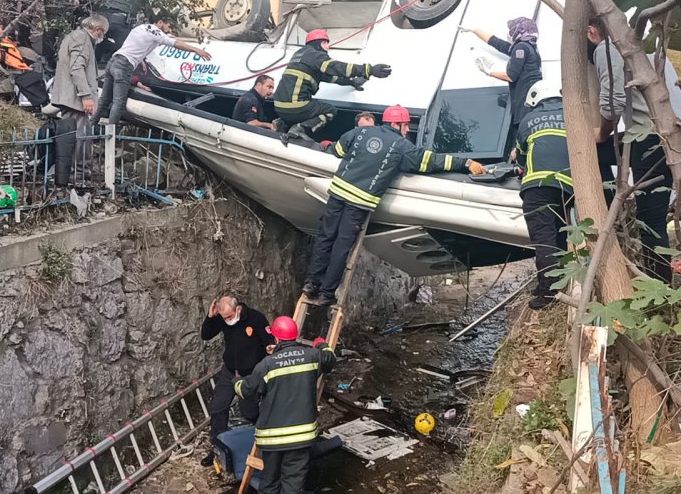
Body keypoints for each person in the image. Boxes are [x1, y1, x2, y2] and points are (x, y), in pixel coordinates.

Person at [303, 105, 487, 306]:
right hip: (359, 202)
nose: (407, 129)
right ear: (395, 124)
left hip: (337, 194)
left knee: (325, 237)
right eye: (405, 125)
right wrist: (465, 163)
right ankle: (326, 294)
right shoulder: (401, 146)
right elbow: (430, 161)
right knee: (341, 246)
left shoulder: (361, 132)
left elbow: (338, 149)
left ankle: (311, 284)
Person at [587, 18, 674, 283]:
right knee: (655, 215)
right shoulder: (643, 45)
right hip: (673, 131)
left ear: (591, 31)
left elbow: (613, 105)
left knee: (651, 219)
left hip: (652, 135)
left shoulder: (607, 48)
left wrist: (602, 134)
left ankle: (660, 286)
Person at [234, 316, 335, 494]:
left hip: (272, 439)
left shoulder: (267, 364)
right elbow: (329, 358)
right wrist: (321, 344)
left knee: (270, 483)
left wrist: (236, 382)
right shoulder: (312, 356)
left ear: (276, 338)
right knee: (293, 484)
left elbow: (248, 391)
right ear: (295, 336)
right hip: (301, 437)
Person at [513, 81, 573, 310]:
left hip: (537, 187)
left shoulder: (528, 120)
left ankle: (548, 294)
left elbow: (521, 158)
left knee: (544, 239)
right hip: (567, 187)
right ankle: (557, 284)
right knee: (559, 235)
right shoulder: (572, 116)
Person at [274, 29, 392, 141]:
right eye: (325, 43)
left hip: (279, 107)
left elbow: (330, 77)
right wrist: (368, 69)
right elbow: (336, 67)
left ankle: (282, 123)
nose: (328, 47)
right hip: (295, 105)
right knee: (329, 110)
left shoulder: (301, 55)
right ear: (318, 43)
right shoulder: (314, 54)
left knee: (307, 107)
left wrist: (352, 82)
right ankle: (300, 129)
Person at [95, 15, 212, 126]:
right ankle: (110, 134)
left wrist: (141, 60)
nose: (169, 31)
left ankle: (91, 125)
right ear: (160, 22)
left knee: (104, 99)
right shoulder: (156, 32)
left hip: (113, 61)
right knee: (118, 102)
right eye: (169, 26)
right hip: (124, 66)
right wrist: (196, 50)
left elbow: (133, 47)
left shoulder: (140, 28)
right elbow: (175, 43)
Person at [200, 295, 274, 443]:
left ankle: (261, 438)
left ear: (237, 309)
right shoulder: (222, 319)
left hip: (250, 374)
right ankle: (219, 444)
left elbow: (268, 341)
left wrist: (269, 351)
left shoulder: (255, 318)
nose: (227, 320)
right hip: (230, 371)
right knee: (217, 407)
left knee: (249, 412)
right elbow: (206, 335)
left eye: (229, 316)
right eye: (224, 318)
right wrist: (210, 317)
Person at [49, 14, 108, 189]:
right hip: (75, 98)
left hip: (70, 97)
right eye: (103, 33)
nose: (102, 36)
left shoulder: (74, 36)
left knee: (71, 137)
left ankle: (70, 174)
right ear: (97, 30)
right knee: (81, 136)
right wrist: (86, 95)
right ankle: (80, 174)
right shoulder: (82, 38)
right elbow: (76, 68)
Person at [461, 17, 543, 124]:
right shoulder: (530, 48)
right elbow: (497, 43)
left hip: (525, 101)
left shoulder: (521, 47)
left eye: (513, 30)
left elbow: (510, 76)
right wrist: (474, 30)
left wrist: (489, 72)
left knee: (523, 128)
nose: (510, 33)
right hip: (533, 101)